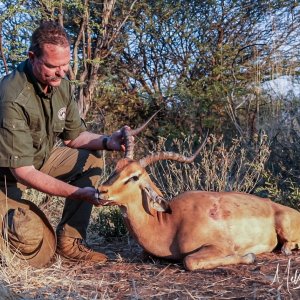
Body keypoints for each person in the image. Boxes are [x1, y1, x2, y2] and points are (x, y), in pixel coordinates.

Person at [0, 21, 127, 267]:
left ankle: (71, 243)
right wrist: (80, 194)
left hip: (37, 163)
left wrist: (108, 141)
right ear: (32, 57)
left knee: (91, 157)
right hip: (7, 178)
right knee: (35, 245)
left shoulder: (62, 85)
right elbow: (23, 173)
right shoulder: (11, 96)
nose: (61, 72)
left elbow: (73, 137)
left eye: (65, 64)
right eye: (52, 66)